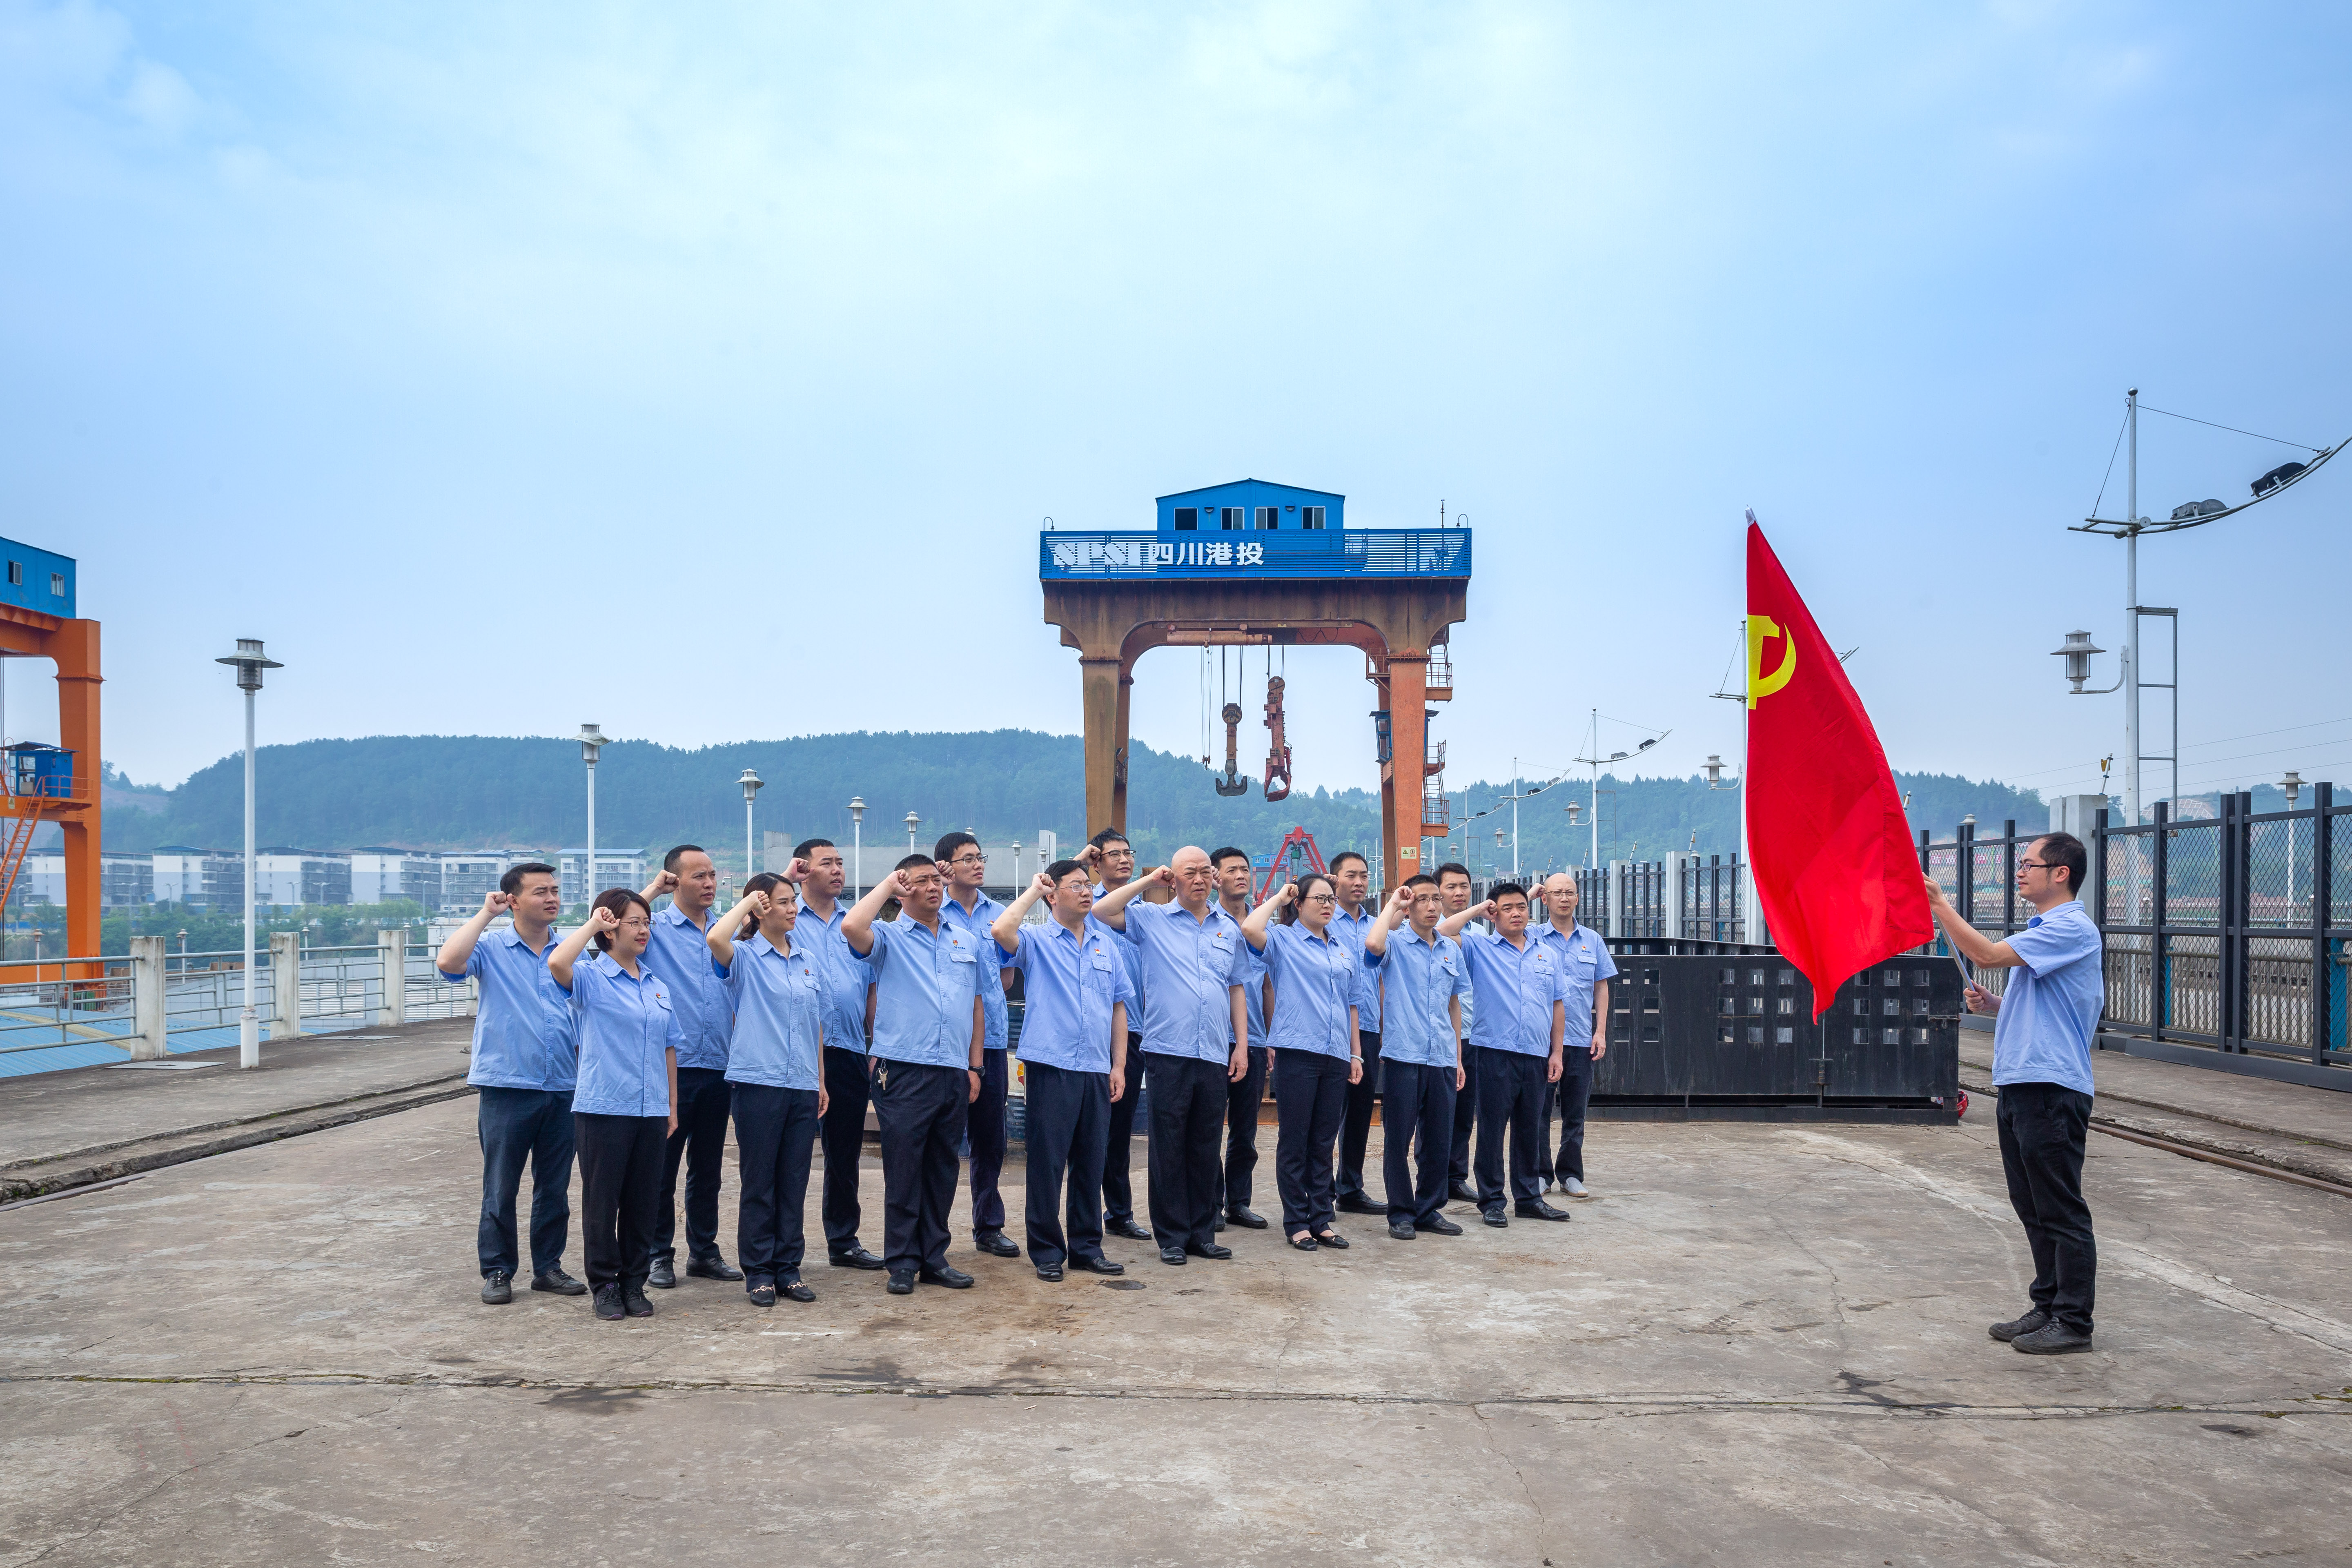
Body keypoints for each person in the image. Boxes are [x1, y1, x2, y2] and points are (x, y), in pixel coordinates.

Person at [1923, 831, 2105, 1356]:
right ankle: (2047, 1306)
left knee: (2060, 1208)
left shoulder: (2070, 927)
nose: (2019, 872)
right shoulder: (2045, 931)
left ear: (2061, 873)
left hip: (2051, 1086)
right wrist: (1996, 1005)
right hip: (2023, 1084)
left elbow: (1984, 954)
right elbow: (2054, 1007)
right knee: (2032, 1206)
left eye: (2029, 864)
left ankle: (2074, 1320)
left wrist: (1940, 905)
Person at [434, 861, 585, 1304]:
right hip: (508, 1085)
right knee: (501, 1186)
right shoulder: (492, 949)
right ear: (514, 901)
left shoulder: (570, 950)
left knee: (554, 1187)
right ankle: (498, 1270)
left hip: (565, 1083)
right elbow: (449, 962)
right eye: (541, 892)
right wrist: (486, 914)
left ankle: (548, 1268)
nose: (552, 898)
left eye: (555, 890)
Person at [1093, 848, 1250, 1265]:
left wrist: (1241, 1045)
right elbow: (1101, 910)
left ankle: (1202, 1233)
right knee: (1168, 1146)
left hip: (1213, 1051)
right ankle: (1173, 1237)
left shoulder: (1228, 929)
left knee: (1205, 1145)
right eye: (1189, 873)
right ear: (1174, 878)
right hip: (1168, 1050)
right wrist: (1149, 882)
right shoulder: (1151, 919)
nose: (1199, 880)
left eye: (1205, 872)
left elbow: (1236, 987)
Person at [843, 855, 986, 1294]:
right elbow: (851, 926)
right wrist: (889, 884)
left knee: (943, 1167)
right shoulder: (888, 937)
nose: (933, 887)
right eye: (921, 881)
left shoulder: (965, 940)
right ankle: (902, 1261)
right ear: (904, 890)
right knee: (905, 1168)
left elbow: (975, 1005)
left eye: (936, 880)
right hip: (904, 1069)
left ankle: (934, 1258)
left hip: (952, 1069)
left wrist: (974, 1066)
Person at [990, 861, 1134, 1281]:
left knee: (1092, 1161)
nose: (1087, 891)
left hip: (1095, 1066)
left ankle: (1087, 1248)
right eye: (1076, 886)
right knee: (1048, 1163)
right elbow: (1001, 931)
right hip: (1051, 1065)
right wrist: (1034, 890)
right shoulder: (1037, 941)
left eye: (1088, 885)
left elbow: (1119, 1007)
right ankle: (1048, 1251)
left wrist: (1119, 1065)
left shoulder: (1106, 946)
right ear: (1053, 895)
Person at [549, 889, 682, 1321]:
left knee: (644, 1202)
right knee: (603, 1204)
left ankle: (633, 1282)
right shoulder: (591, 978)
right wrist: (593, 924)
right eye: (634, 923)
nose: (644, 931)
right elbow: (557, 963)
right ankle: (605, 1285)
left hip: (651, 1109)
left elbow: (669, 1048)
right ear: (610, 930)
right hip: (604, 1107)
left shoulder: (657, 985)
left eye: (648, 923)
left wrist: (671, 1106)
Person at [707, 868, 829, 1307]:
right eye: (783, 902)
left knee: (794, 1180)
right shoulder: (744, 957)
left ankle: (788, 1269)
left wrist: (820, 1080)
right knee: (760, 1181)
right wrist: (747, 905)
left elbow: (815, 1023)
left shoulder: (807, 958)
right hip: (759, 1082)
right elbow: (715, 938)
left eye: (794, 901)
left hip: (802, 1083)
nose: (793, 908)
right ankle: (759, 1272)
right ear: (760, 909)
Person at [638, 845, 742, 1289]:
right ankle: (658, 1255)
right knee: (661, 1170)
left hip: (719, 1064)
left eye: (712, 875)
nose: (709, 883)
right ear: (673, 880)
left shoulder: (726, 931)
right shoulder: (653, 929)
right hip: (671, 1070)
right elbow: (614, 929)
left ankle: (704, 1252)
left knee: (708, 1169)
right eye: (698, 876)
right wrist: (652, 891)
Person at [1242, 872, 1362, 1251]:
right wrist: (1278, 897)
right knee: (1295, 1141)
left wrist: (1355, 1053)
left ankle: (1321, 1220)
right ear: (1299, 904)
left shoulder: (1342, 948)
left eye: (1331, 899)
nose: (1327, 905)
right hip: (1298, 1052)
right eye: (1319, 899)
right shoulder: (1284, 939)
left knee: (1324, 1142)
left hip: (1336, 1054)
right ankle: (1296, 1221)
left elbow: (1352, 1005)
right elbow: (1250, 928)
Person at [1439, 882, 1570, 1227]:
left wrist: (1557, 1052)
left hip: (1536, 1053)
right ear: (1494, 913)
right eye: (1507, 908)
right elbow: (1443, 931)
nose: (1516, 914)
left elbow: (1558, 1005)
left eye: (1521, 907)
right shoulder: (1480, 947)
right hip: (1494, 1052)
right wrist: (1478, 910)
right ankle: (1492, 1201)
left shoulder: (1547, 953)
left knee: (1530, 1128)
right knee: (1492, 1130)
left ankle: (1529, 1198)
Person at [794, 837, 885, 1272]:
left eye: (840, 863)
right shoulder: (785, 916)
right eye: (826, 863)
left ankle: (844, 1240)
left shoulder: (856, 924)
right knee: (790, 1154)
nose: (837, 870)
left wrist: (875, 1046)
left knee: (845, 1153)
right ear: (803, 869)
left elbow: (871, 989)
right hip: (797, 1053)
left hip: (848, 1050)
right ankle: (783, 1248)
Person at [1361, 875, 1468, 1239]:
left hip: (1442, 1057)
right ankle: (1401, 1213)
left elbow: (1454, 1004)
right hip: (1404, 1054)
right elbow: (1372, 945)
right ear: (1409, 907)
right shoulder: (1395, 943)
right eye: (1422, 899)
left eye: (1436, 898)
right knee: (1398, 1139)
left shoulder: (1451, 949)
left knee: (1439, 1138)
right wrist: (1393, 904)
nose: (1432, 906)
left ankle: (1429, 1210)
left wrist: (1457, 1057)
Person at [937, 831, 1017, 1259]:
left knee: (990, 1137)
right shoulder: (934, 912)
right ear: (945, 867)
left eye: (979, 857)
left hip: (993, 1040)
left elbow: (1006, 977)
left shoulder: (998, 915)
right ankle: (932, 1232)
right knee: (943, 1139)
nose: (978, 864)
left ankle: (988, 1226)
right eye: (967, 859)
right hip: (946, 1043)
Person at [1081, 829, 1153, 1243]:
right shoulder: (1084, 904)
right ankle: (1085, 1214)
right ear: (1096, 862)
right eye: (1114, 854)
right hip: (1093, 1033)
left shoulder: (1146, 912)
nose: (1124, 860)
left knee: (1121, 1129)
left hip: (1136, 1032)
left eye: (1129, 853)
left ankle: (1120, 1212)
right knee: (1090, 1130)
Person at [1530, 873, 1615, 1200]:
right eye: (1556, 893)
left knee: (1575, 1114)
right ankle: (1541, 1174)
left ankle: (1570, 1175)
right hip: (1542, 1041)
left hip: (1580, 1039)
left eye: (1569, 893)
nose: (1564, 898)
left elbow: (1601, 986)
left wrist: (1600, 1031)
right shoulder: (1533, 936)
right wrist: (1527, 895)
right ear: (1545, 899)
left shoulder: (1592, 940)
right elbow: (1501, 925)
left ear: (1578, 898)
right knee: (1538, 1112)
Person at [1210, 846, 1273, 1230]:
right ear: (1215, 878)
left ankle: (1239, 1202)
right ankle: (1210, 1204)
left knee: (1245, 1129)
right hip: (1214, 1040)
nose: (1241, 876)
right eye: (1232, 870)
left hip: (1255, 1040)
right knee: (1208, 1126)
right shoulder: (1207, 922)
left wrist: (1270, 1038)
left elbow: (1268, 987)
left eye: (1245, 869)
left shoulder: (1262, 925)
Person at [1328, 851, 1388, 1217]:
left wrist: (1381, 1028)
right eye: (1351, 875)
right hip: (1331, 1030)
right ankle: (1320, 1192)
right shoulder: (1322, 919)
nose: (1359, 882)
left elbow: (1380, 978)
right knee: (1327, 1113)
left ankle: (1350, 1188)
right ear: (1334, 880)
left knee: (1360, 1112)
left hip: (1367, 1030)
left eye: (1364, 875)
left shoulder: (1376, 925)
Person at [1437, 863, 1484, 1201]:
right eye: (1451, 887)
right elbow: (1445, 933)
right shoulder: (1424, 929)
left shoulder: (1480, 933)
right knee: (1438, 1113)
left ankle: (1456, 1177)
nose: (1459, 893)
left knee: (1465, 1113)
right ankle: (1435, 1178)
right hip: (1440, 1034)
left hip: (1474, 1033)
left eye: (1464, 886)